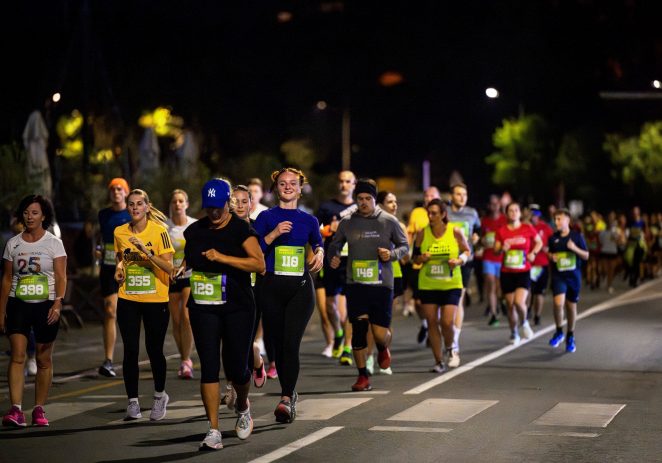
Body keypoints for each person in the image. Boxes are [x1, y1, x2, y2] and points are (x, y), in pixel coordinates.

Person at [184, 179, 265, 450]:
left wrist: (223, 258)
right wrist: (180, 268)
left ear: (227, 203)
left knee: (236, 367)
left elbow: (259, 265)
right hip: (204, 305)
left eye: (218, 207)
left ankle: (243, 407)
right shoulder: (194, 231)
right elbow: (190, 259)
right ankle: (213, 430)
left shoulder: (242, 229)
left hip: (238, 307)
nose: (214, 213)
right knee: (208, 366)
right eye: (209, 208)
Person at [253, 167, 324, 422]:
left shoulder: (309, 220)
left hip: (300, 289)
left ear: (300, 187)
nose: (287, 187)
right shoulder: (264, 218)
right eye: (282, 183)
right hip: (270, 288)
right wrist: (272, 235)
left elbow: (318, 242)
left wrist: (320, 254)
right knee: (277, 346)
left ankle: (285, 397)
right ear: (275, 188)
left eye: (293, 183)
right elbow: (253, 252)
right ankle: (288, 392)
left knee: (291, 343)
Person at [328, 179, 409, 391]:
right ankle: (362, 376)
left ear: (374, 199)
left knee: (380, 333)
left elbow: (404, 246)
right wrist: (333, 257)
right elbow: (334, 246)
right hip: (355, 284)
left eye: (368, 198)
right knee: (359, 330)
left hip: (382, 285)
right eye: (360, 199)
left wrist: (391, 254)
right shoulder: (347, 222)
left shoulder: (389, 221)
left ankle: (383, 347)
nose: (363, 202)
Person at [1, 195, 67, 427]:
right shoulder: (13, 244)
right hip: (18, 305)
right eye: (26, 212)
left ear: (44, 216)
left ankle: (39, 409)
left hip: (46, 305)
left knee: (43, 358)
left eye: (35, 213)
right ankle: (16, 410)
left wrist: (58, 303)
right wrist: (1, 311)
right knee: (17, 355)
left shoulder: (53, 243)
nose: (30, 217)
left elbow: (61, 276)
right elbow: (7, 279)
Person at [113, 189, 174, 421]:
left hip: (156, 298)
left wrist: (146, 252)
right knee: (130, 350)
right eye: (131, 204)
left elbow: (170, 268)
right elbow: (120, 260)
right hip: (128, 297)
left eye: (139, 204)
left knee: (154, 349)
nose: (135, 208)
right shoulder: (119, 232)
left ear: (148, 207)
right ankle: (133, 402)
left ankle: (159, 396)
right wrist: (119, 270)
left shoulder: (159, 232)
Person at [413, 198, 470, 372]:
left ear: (443, 214)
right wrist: (421, 258)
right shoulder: (422, 233)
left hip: (451, 283)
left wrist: (459, 260)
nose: (430, 216)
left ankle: (451, 348)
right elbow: (414, 257)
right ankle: (438, 361)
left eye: (434, 213)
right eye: (428, 213)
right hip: (428, 283)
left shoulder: (455, 231)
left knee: (446, 322)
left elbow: (467, 251)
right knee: (431, 321)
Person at [316, 171, 357, 365]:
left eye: (348, 181)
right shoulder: (326, 207)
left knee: (350, 306)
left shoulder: (360, 207)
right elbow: (315, 231)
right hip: (332, 260)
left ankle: (348, 347)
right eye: (341, 181)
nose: (344, 184)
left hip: (353, 261)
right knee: (330, 306)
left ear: (354, 184)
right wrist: (327, 230)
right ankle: (339, 333)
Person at [97, 178, 132, 377]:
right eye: (112, 189)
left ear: (126, 192)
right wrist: (99, 250)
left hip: (129, 269)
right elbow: (101, 239)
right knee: (110, 311)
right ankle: (108, 360)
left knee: (128, 314)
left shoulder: (131, 213)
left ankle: (131, 354)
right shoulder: (103, 215)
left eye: (119, 189)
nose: (116, 192)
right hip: (108, 268)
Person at [494, 202, 542, 345]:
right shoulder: (501, 231)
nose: (514, 213)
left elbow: (538, 242)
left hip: (523, 271)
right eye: (510, 210)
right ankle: (514, 332)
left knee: (519, 302)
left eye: (516, 210)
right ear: (506, 214)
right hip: (507, 272)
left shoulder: (527, 228)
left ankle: (525, 323)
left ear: (520, 213)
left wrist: (533, 253)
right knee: (510, 305)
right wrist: (502, 248)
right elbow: (496, 251)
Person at [446, 183, 480, 367]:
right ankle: (443, 334)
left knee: (459, 298)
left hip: (465, 260)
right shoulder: (445, 214)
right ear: (451, 196)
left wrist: (476, 237)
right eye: (458, 194)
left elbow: (478, 230)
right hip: (445, 260)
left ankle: (455, 342)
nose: (462, 197)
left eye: (464, 194)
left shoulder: (472, 213)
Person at [547, 208, 589, 353]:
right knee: (558, 304)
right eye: (555, 219)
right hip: (559, 276)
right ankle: (559, 331)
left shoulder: (577, 237)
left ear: (567, 220)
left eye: (559, 219)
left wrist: (574, 248)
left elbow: (586, 255)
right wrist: (551, 256)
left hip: (573, 277)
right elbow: (550, 254)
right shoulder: (553, 238)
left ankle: (570, 335)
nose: (556, 222)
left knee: (571, 307)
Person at [166, 189, 197, 379]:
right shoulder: (165, 227)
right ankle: (183, 357)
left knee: (186, 315)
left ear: (186, 204)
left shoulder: (194, 225)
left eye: (180, 201)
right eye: (174, 201)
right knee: (175, 320)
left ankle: (187, 360)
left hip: (189, 274)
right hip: (170, 276)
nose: (177, 204)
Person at [406, 186, 442, 346]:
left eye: (432, 195)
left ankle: (435, 327)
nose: (428, 198)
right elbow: (409, 233)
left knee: (436, 301)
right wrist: (405, 251)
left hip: (438, 263)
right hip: (419, 264)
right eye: (426, 195)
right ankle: (426, 324)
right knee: (419, 302)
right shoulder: (417, 213)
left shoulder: (443, 214)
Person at [481, 195, 507, 326]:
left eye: (496, 203)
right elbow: (480, 238)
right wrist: (483, 241)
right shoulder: (484, 221)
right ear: (489, 206)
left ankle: (501, 301)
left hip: (502, 258)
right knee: (490, 285)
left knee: (499, 287)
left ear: (499, 205)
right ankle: (493, 314)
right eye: (492, 204)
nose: (494, 206)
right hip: (488, 257)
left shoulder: (505, 220)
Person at [528, 204, 554, 326]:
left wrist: (548, 249)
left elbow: (553, 242)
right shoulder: (525, 227)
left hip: (541, 264)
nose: (533, 216)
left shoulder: (545, 227)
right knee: (526, 290)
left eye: (535, 213)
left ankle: (537, 315)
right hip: (527, 264)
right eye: (531, 213)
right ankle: (527, 310)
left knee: (539, 292)